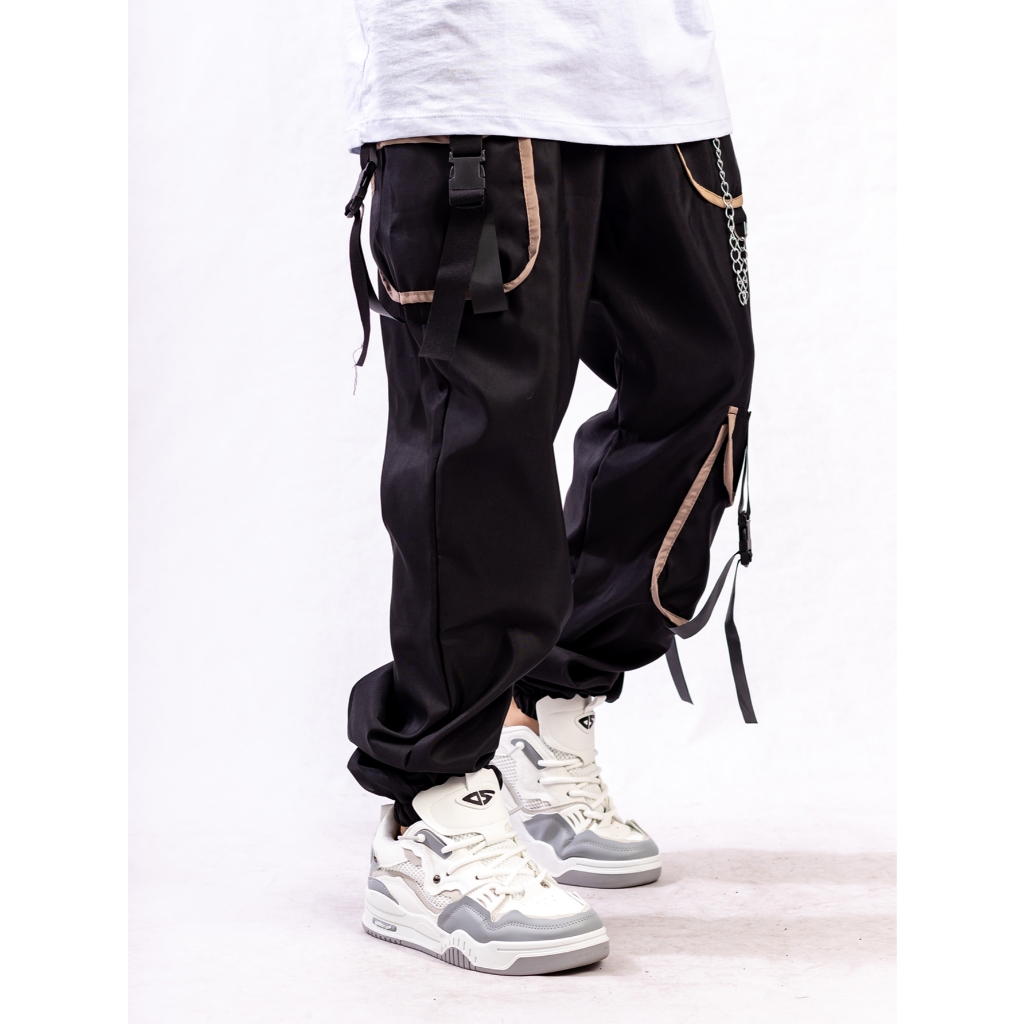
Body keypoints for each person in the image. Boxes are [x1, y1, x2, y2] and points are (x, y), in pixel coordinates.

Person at [343, 0, 755, 975]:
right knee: (482, 431)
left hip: (656, 74)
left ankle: (544, 707)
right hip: (476, 70)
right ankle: (431, 808)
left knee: (699, 386)